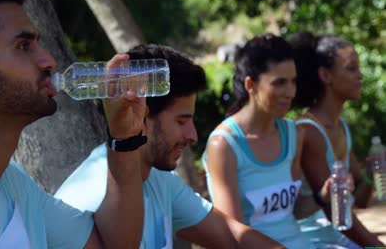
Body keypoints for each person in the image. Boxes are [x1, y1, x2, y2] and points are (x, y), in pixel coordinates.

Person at [0, 0, 146, 248]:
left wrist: (125, 138)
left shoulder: (10, 182)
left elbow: (110, 244)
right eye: (24, 46)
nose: (49, 60)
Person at [56, 44, 284, 248]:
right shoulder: (93, 198)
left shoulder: (158, 178)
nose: (193, 135)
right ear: (140, 117)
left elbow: (232, 237)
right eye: (181, 121)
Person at [202, 34, 325, 248]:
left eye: (293, 82)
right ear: (251, 85)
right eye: (279, 83)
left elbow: (293, 210)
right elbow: (233, 233)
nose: (290, 92)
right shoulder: (224, 145)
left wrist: (324, 195)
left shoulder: (294, 134)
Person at [290, 32, 385, 247]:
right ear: (325, 76)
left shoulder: (340, 126)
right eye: (351, 68)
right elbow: (333, 210)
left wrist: (371, 174)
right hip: (316, 242)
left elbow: (359, 200)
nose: (360, 75)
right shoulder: (309, 131)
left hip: (340, 239)